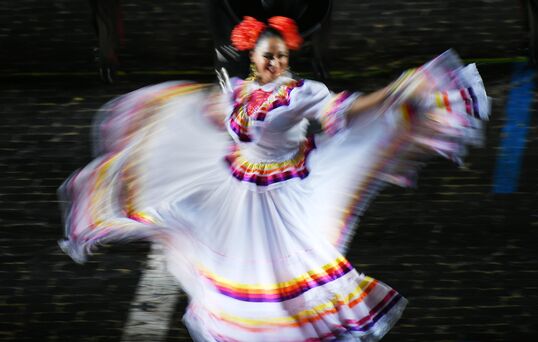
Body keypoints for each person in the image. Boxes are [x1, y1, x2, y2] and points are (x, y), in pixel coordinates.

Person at [59, 16, 489, 341]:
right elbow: (220, 117)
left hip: (286, 187)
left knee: (290, 263)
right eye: (269, 55)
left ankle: (296, 323)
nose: (276, 62)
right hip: (238, 182)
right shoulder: (239, 92)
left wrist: (393, 92)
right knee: (209, 242)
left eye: (282, 56)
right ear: (252, 57)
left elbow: (344, 111)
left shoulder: (302, 92)